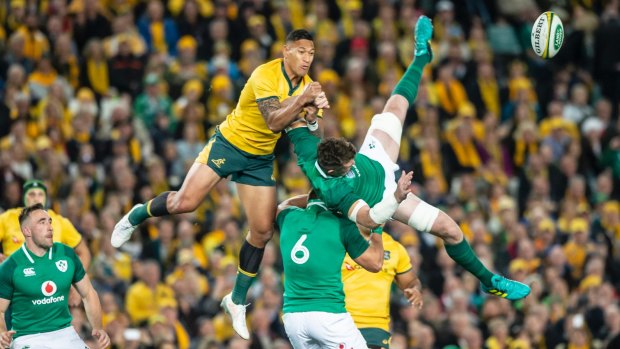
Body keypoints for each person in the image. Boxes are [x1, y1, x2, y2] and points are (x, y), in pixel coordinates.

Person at [287, 16, 530, 301]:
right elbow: (370, 217)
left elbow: (306, 134)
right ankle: (489, 281)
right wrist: (398, 196)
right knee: (450, 231)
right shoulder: (338, 192)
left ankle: (421, 56)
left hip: (375, 160)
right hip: (384, 199)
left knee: (396, 105)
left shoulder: (312, 154)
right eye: (349, 164)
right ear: (338, 171)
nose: (352, 161)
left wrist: (313, 119)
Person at [111, 29, 328, 339]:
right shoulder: (265, 74)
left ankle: (236, 300)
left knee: (262, 231)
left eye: (311, 53)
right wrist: (304, 101)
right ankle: (137, 215)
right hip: (230, 144)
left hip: (260, 158)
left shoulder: (306, 86)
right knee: (184, 203)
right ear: (285, 51)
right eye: (301, 51)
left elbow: (305, 132)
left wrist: (312, 117)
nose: (307, 58)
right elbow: (273, 121)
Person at [276, 168, 411, 349]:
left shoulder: (288, 217)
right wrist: (376, 229)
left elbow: (282, 205)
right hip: (327, 315)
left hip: (293, 319)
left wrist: (317, 194)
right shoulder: (342, 225)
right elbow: (375, 263)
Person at [0, 203, 110, 349]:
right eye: (42, 222)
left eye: (49, 221)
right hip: (28, 337)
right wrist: (2, 332)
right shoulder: (11, 266)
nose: (50, 227)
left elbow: (88, 293)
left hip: (65, 333)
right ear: (27, 231)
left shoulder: (67, 254)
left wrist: (98, 327)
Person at [0, 180, 91, 308]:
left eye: (40, 194)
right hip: (15, 288)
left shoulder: (60, 222)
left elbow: (84, 251)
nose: (36, 198)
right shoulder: (7, 218)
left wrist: (75, 281)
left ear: (46, 198)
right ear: (23, 197)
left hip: (52, 290)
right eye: (31, 194)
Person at [342, 229, 423, 349]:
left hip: (375, 327)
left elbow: (410, 281)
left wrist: (415, 289)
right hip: (339, 321)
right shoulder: (338, 240)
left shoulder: (395, 248)